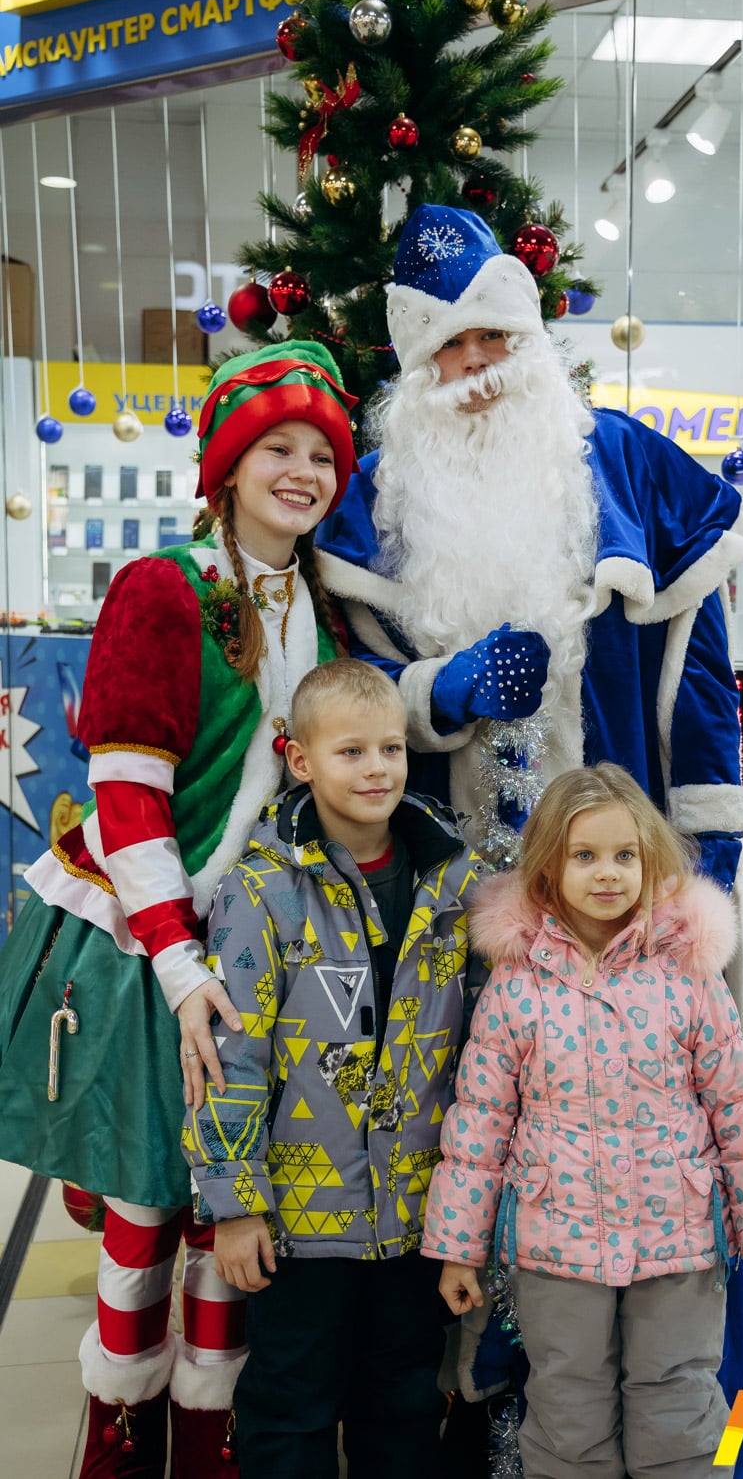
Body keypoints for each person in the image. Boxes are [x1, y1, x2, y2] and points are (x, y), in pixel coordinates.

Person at [316, 203, 743, 1478]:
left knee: (669, 1153)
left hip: (630, 906)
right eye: (447, 351)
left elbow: (701, 691)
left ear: (530, 337)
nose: (474, 372)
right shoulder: (379, 508)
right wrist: (442, 693)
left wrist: (706, 879)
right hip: (458, 920)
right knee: (474, 1150)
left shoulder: (623, 463)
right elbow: (348, 706)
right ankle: (500, 1424)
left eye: (491, 341)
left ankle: (682, 1428)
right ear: (415, 369)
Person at [0, 341, 358, 1479]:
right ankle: (118, 1440)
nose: (302, 473)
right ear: (227, 466)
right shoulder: (164, 587)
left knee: (228, 1209)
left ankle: (210, 1437)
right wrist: (175, 957)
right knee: (145, 1204)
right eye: (277, 449)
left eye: (322, 455)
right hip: (146, 941)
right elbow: (126, 793)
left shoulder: (321, 603)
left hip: (253, 948)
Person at [423, 763, 743, 1479]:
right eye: (585, 855)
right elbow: (479, 1127)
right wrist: (459, 1247)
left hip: (679, 1241)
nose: (608, 873)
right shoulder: (516, 983)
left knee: (679, 1407)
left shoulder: (687, 973)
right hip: (556, 1244)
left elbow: (741, 1111)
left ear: (649, 859)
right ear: (549, 867)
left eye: (625, 854)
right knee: (568, 1410)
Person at [183, 656, 486, 1479]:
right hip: (298, 1225)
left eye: (391, 748)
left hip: (417, 1216)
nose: (377, 768)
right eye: (351, 752)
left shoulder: (454, 881)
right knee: (291, 1406)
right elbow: (229, 1061)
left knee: (404, 1404)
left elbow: (487, 1055)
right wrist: (235, 1205)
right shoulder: (263, 892)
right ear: (300, 760)